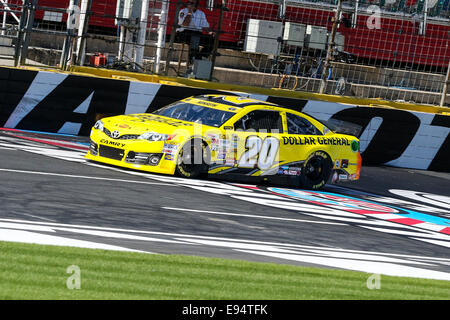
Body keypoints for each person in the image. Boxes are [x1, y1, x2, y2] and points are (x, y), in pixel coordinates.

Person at [176, 0, 214, 68]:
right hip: (184, 32)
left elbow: (205, 26)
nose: (189, 4)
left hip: (197, 33)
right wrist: (190, 12)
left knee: (211, 39)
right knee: (195, 37)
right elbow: (185, 24)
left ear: (196, 5)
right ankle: (192, 58)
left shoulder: (201, 13)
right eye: (188, 2)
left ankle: (201, 55)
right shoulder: (183, 11)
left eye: (192, 3)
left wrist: (210, 32)